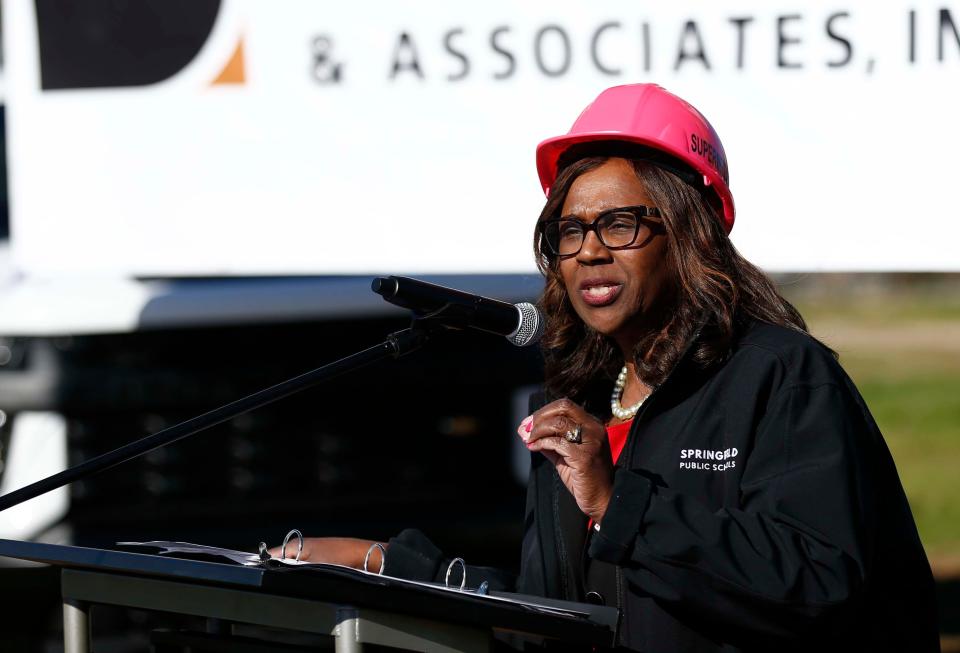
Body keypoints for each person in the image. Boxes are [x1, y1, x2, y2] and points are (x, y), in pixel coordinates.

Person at [275, 84, 939, 652]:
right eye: (570, 230)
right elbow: (551, 617)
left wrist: (620, 503)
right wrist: (384, 565)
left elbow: (818, 585)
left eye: (618, 224)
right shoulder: (578, 405)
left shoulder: (782, 376)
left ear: (690, 234)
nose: (589, 250)